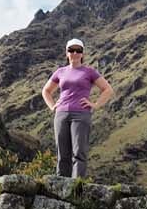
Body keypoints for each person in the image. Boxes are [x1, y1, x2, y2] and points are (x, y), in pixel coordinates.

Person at [42, 38, 113, 178]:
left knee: (79, 152)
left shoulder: (89, 72)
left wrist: (96, 105)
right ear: (67, 53)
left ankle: (76, 187)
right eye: (71, 50)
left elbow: (107, 89)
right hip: (61, 114)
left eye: (78, 50)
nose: (74, 53)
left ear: (82, 53)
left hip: (81, 115)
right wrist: (52, 106)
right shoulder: (60, 72)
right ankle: (60, 185)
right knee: (62, 152)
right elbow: (46, 91)